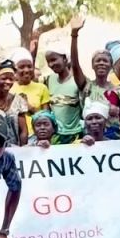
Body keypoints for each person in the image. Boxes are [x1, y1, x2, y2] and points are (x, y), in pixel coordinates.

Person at [44, 14, 86, 143]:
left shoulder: (77, 80)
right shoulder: (48, 80)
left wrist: (74, 34)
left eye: (54, 60)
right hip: (56, 137)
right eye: (48, 62)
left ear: (64, 58)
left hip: (75, 136)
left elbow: (75, 64)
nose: (51, 64)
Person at [0, 60, 30, 145]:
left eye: (11, 79)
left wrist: (23, 149)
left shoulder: (18, 100)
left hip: (14, 149)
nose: (8, 82)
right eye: (4, 78)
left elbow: (23, 131)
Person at [11, 47, 50, 113]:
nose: (26, 70)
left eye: (29, 66)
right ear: (15, 70)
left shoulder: (42, 88)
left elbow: (46, 115)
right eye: (22, 67)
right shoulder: (9, 89)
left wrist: (29, 107)